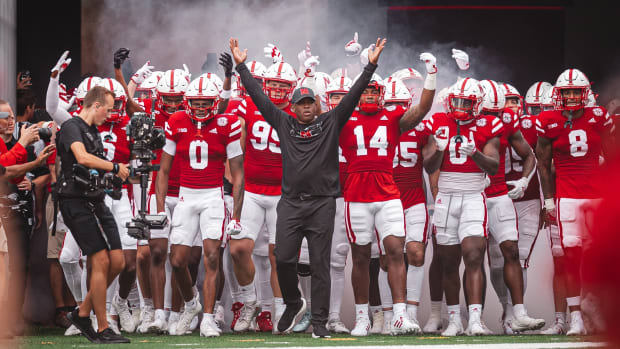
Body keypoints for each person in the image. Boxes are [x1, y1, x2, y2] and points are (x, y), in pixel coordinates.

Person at [230, 36, 385, 338]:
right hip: (290, 203)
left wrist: (370, 66)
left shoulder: (330, 122)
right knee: (284, 258)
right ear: (293, 106)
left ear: (316, 104)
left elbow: (353, 95)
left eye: (309, 102)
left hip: (322, 203)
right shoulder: (283, 123)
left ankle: (319, 324)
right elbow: (259, 97)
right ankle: (292, 303)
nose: (305, 108)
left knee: (320, 264)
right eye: (300, 103)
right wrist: (241, 67)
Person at [341, 53, 435, 337]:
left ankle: (399, 315)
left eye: (373, 90)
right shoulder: (343, 117)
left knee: (395, 252)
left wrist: (431, 74)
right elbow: (315, 113)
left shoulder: (393, 118)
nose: (369, 94)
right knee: (360, 258)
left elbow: (422, 109)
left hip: (388, 196)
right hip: (356, 196)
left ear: (381, 94)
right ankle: (362, 318)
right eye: (365, 89)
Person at [156, 76, 243, 337]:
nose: (202, 107)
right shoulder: (176, 121)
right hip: (185, 196)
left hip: (213, 197)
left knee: (212, 256)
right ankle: (191, 304)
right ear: (188, 102)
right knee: (178, 260)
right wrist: (161, 208)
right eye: (196, 102)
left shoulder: (227, 124)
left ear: (216, 102)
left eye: (206, 102)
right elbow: (163, 170)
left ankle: (207, 318)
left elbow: (238, 173)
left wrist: (236, 215)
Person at [536, 68, 614, 336]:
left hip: (596, 196)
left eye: (575, 91)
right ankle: (575, 317)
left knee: (597, 257)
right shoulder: (547, 119)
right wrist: (548, 201)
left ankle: (594, 306)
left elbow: (613, 155)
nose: (570, 96)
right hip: (567, 196)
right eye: (566, 91)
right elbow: (543, 166)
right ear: (559, 94)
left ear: (585, 93)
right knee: (570, 257)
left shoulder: (598, 116)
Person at [424, 78, 502, 336]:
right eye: (456, 101)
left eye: (465, 102)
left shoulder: (488, 124)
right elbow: (428, 166)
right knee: (448, 262)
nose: (459, 106)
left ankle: (476, 320)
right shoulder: (438, 122)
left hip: (472, 194)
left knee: (473, 255)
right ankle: (455, 320)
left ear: (477, 104)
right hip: (446, 195)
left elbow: (493, 166)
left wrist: (475, 154)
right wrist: (440, 151)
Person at [57, 86, 130, 344]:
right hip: (75, 200)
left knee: (118, 261)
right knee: (99, 260)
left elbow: (95, 167)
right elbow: (82, 157)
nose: (109, 115)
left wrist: (116, 176)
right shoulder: (71, 126)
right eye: (108, 109)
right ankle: (101, 327)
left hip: (96, 200)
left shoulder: (94, 132)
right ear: (95, 105)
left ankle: (82, 313)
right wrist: (115, 166)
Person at [477, 79, 545, 334]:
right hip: (473, 195)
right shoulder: (462, 118)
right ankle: (476, 316)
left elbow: (532, 155)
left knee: (513, 253)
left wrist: (525, 180)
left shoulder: (508, 120)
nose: (495, 116)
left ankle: (516, 312)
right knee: (481, 259)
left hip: (501, 194)